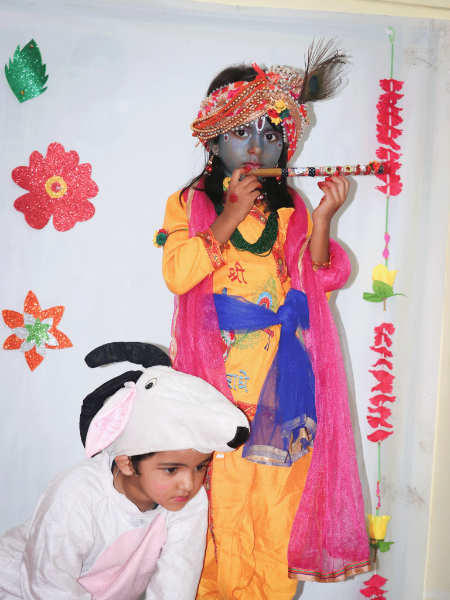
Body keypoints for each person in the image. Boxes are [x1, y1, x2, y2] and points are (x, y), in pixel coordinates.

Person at [158, 40, 370, 600]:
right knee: (219, 507)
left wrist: (322, 221)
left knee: (279, 506)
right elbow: (178, 274)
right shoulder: (189, 203)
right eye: (241, 131)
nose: (256, 146)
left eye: (271, 133)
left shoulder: (290, 208)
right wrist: (228, 215)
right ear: (212, 138)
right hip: (218, 383)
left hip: (285, 380)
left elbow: (317, 280)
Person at [0, 342, 249, 600]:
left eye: (200, 467)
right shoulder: (78, 494)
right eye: (171, 469)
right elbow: (47, 585)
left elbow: (177, 579)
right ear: (126, 462)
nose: (189, 483)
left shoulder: (188, 501)